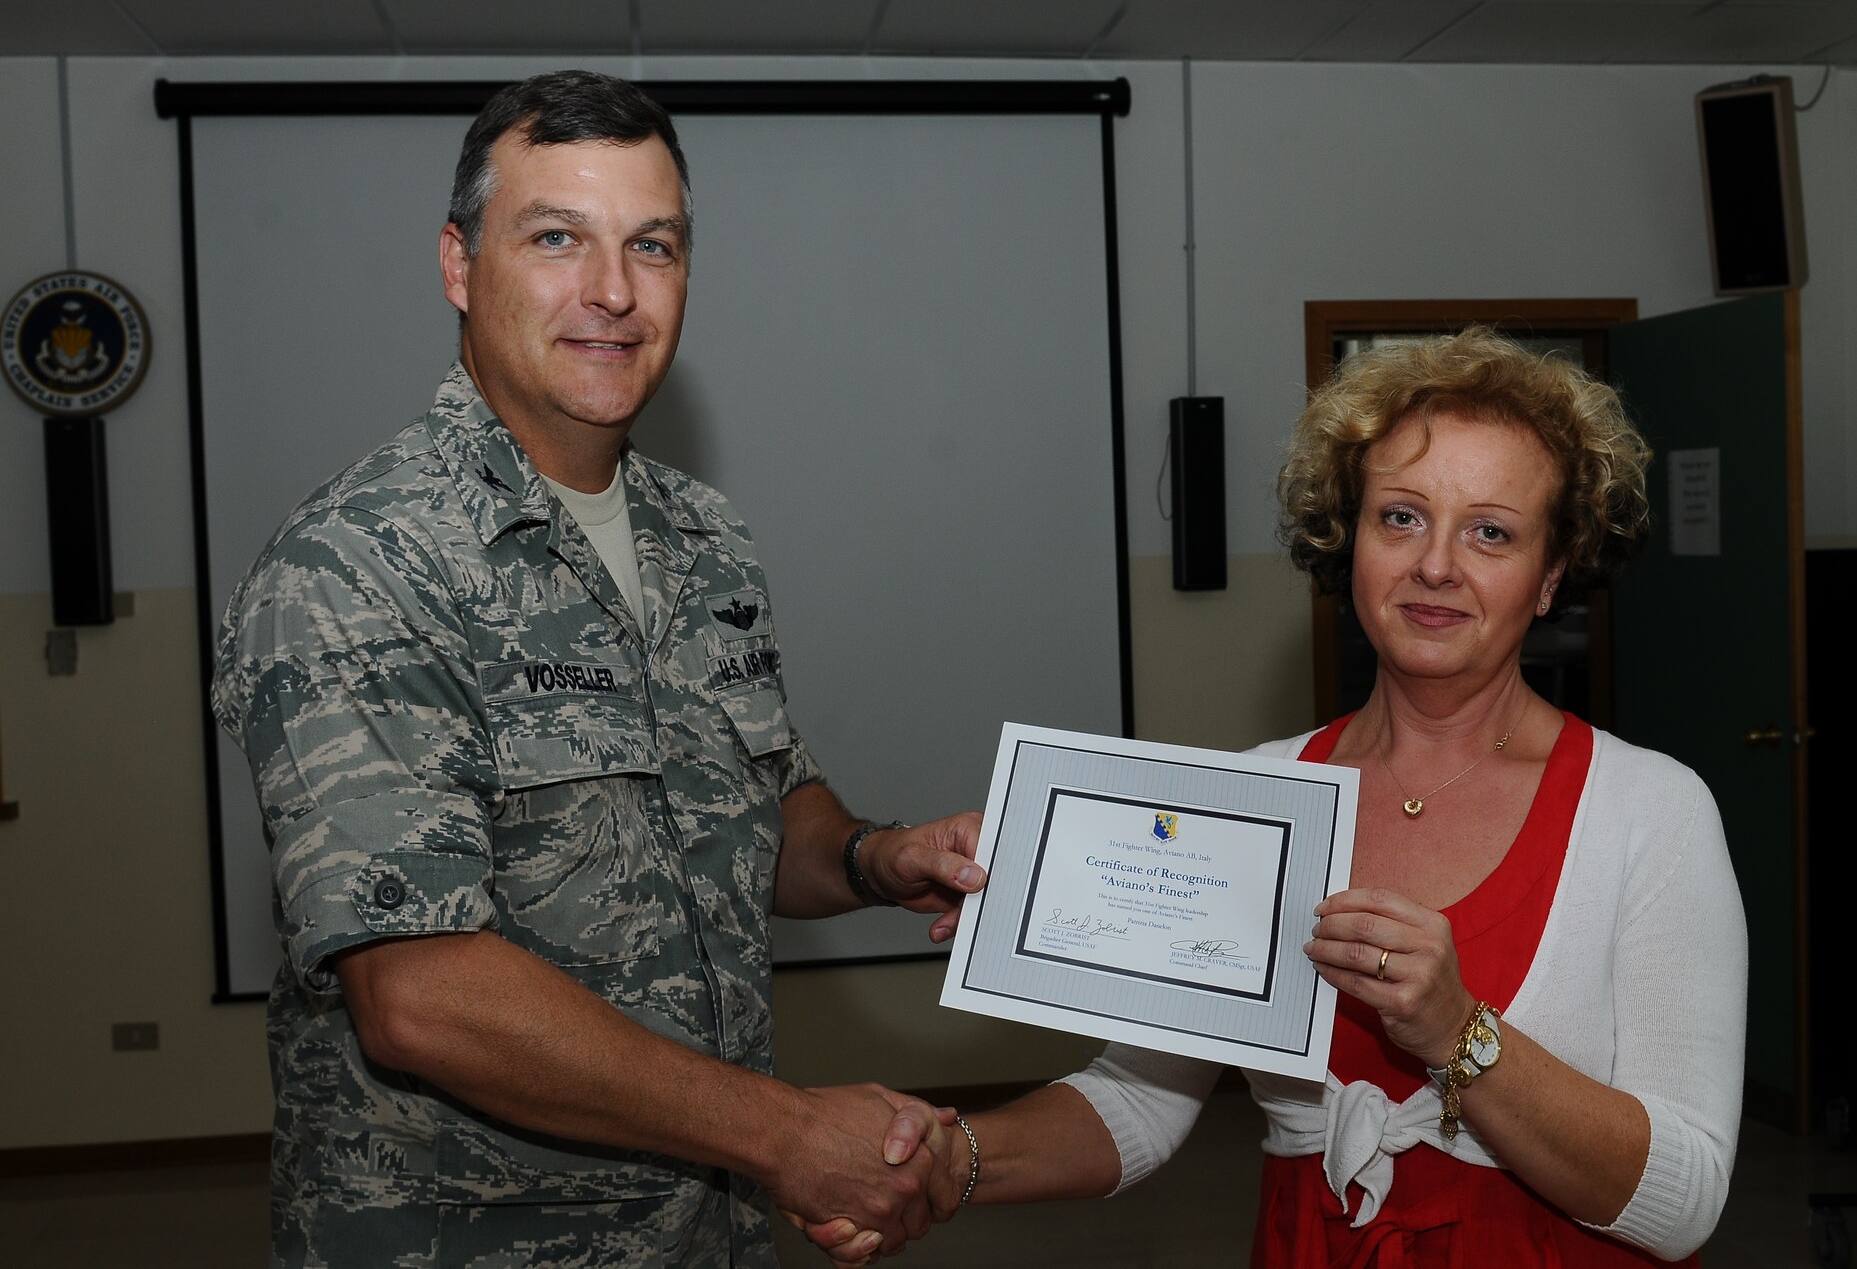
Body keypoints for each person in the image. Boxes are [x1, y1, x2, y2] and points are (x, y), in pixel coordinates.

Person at [211, 69, 983, 1269]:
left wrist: (881, 857)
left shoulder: (704, 535)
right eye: (557, 237)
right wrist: (785, 1133)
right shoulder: (356, 562)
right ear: (460, 265)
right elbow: (418, 988)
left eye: (653, 245)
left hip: (710, 1228)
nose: (613, 292)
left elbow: (755, 813)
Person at [806, 327, 1748, 1266]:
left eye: (1492, 532)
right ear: (1350, 537)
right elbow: (1143, 1100)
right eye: (1403, 517)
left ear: (1551, 575)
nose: (1436, 566)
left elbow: (1686, 1203)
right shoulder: (1258, 796)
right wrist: (951, 1161)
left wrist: (1461, 1034)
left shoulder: (1649, 812)